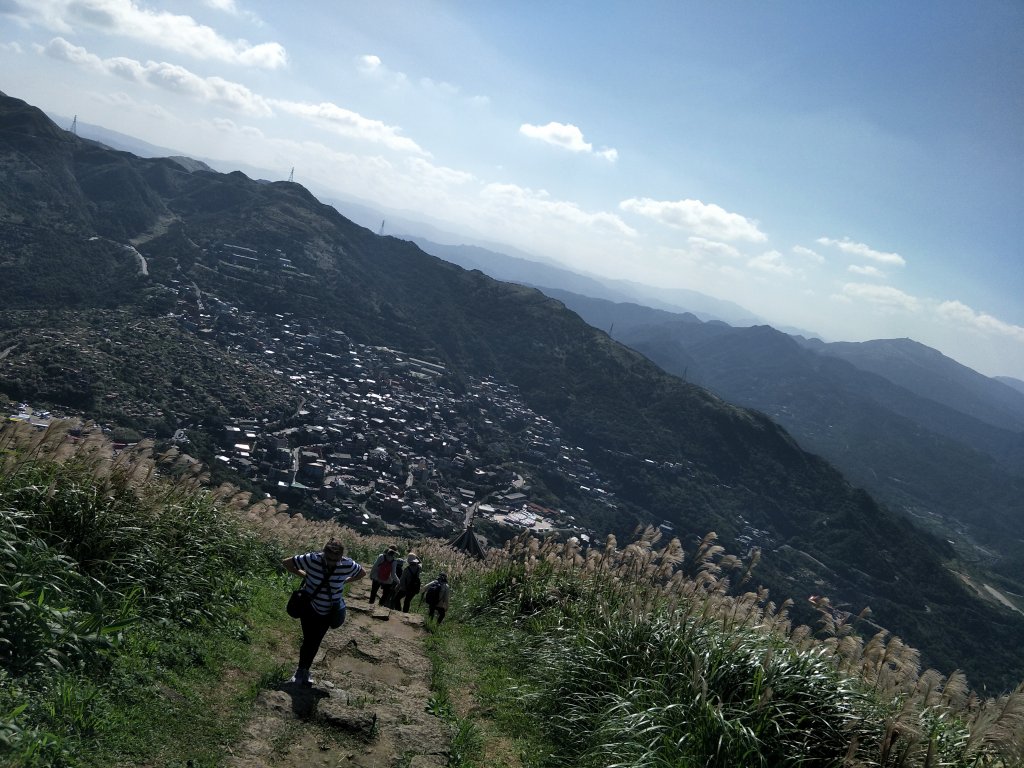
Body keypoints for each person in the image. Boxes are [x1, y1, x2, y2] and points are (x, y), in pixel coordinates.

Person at [282, 538, 364, 686]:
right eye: (329, 558)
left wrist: (344, 581)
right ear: (323, 553)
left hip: (329, 610)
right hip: (310, 606)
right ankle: (302, 670)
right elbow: (287, 562)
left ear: (341, 556)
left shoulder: (347, 564)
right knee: (309, 639)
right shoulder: (312, 559)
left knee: (315, 640)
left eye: (335, 559)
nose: (332, 562)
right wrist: (304, 575)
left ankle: (304, 670)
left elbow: (362, 573)